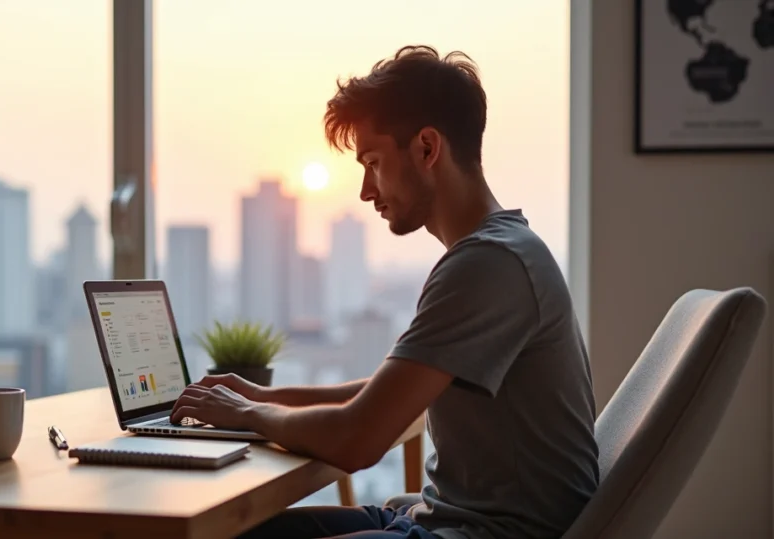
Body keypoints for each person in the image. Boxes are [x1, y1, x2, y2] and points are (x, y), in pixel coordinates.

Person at [170, 45, 599, 539]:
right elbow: (383, 396)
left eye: (372, 162)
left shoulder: (489, 265)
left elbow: (358, 438)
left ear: (426, 148)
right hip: (439, 517)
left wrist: (248, 414)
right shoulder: (498, 251)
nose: (365, 190)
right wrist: (264, 397)